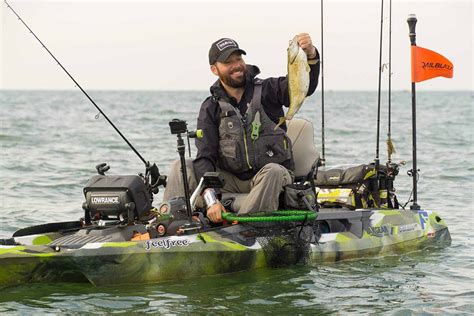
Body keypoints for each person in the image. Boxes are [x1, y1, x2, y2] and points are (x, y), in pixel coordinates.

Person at [163, 34, 320, 223]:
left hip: (270, 177)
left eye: (238, 58)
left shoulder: (269, 89)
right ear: (214, 69)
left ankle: (244, 226)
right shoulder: (210, 107)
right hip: (230, 180)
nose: (236, 65)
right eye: (228, 62)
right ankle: (170, 226)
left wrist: (310, 55)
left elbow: (304, 87)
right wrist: (211, 200)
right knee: (181, 166)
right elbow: (205, 156)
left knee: (274, 171)